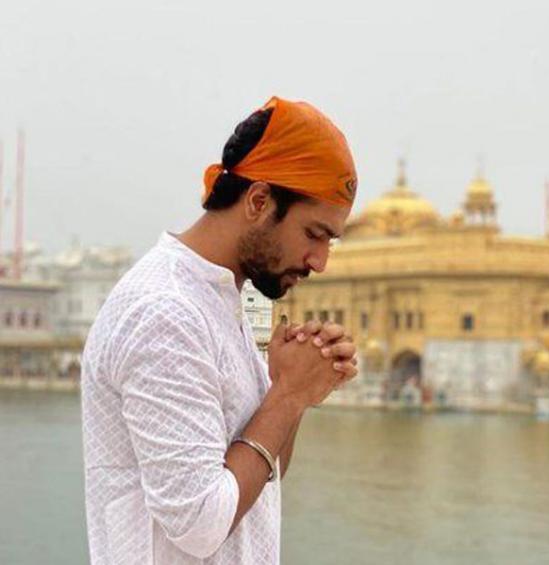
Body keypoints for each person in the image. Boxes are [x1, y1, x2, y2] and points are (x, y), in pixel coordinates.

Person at [81, 96, 359, 564]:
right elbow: (200, 525)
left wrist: (290, 389)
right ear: (258, 201)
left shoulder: (220, 302)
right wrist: (288, 394)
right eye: (314, 234)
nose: (320, 262)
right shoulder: (165, 311)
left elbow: (261, 479)